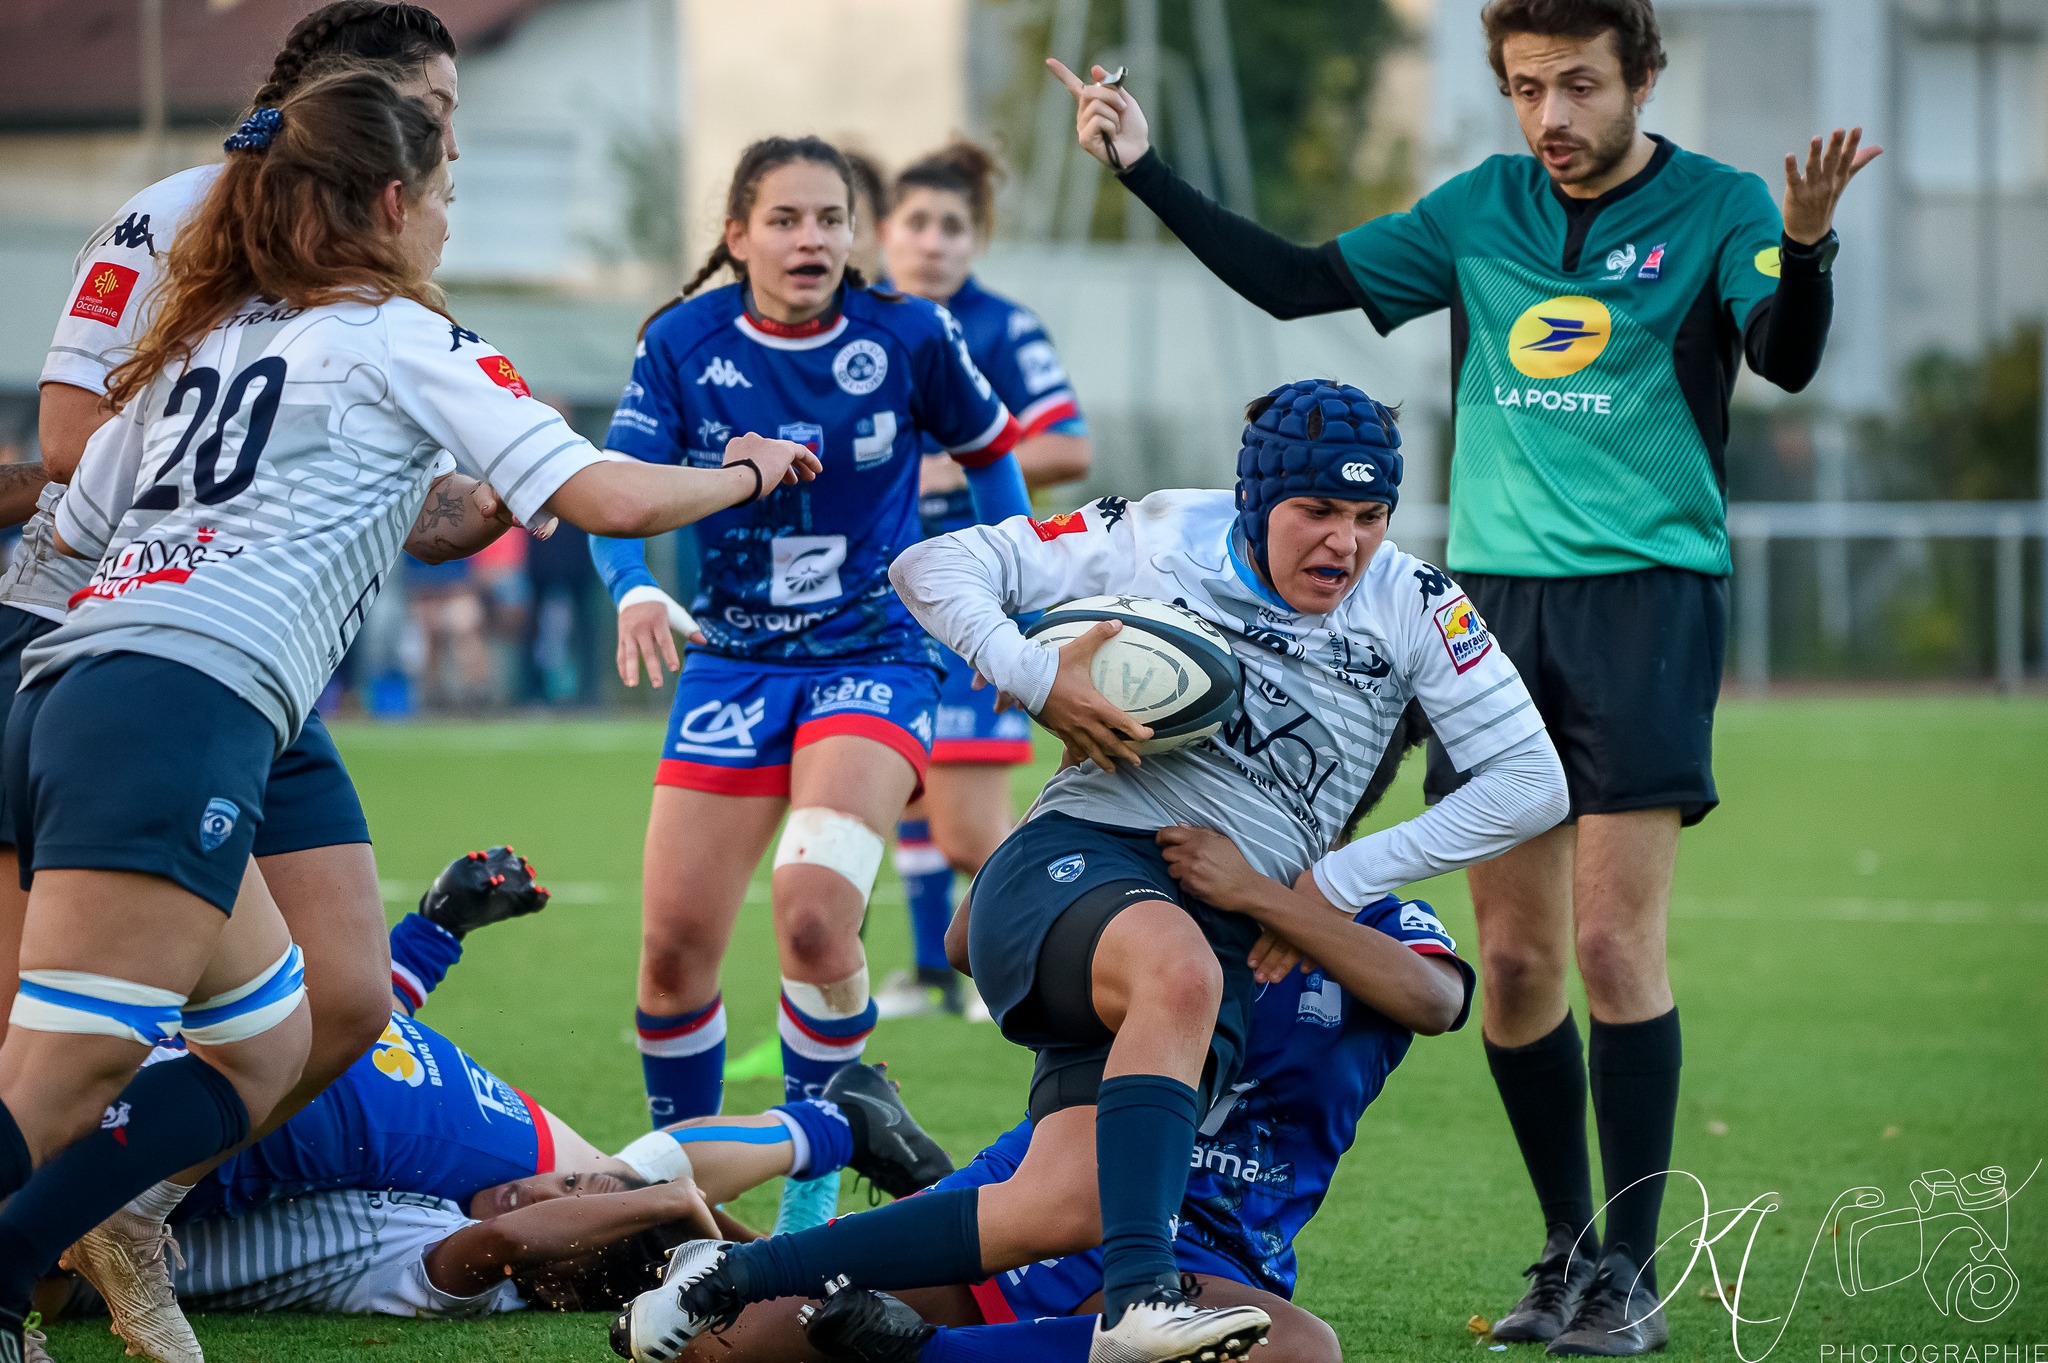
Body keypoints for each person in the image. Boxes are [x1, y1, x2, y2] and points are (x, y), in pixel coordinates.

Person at [1050, 1, 1879, 1350]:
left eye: (1580, 86)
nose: (1551, 115)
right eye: (1528, 87)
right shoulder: (1478, 208)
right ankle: (1566, 1252)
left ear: (1642, 80)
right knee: (1514, 957)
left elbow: (1784, 355)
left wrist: (1804, 246)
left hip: (1646, 597)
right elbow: (1294, 281)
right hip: (1490, 609)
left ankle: (1632, 1271)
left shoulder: (1720, 205)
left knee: (1610, 945)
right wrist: (1141, 166)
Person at [0, 66, 815, 1363]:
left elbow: (77, 518)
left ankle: (65, 1248)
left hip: (68, 690)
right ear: (391, 200)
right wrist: (743, 470)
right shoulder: (400, 333)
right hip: (176, 708)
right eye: (446, 193)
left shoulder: (207, 338)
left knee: (271, 1043)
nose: (447, 220)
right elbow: (606, 496)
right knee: (63, 1076)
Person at [611, 380, 1568, 1363]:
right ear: (1255, 498)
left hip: (1194, 979)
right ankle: (1138, 1299)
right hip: (1087, 865)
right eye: (1318, 510)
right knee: (1178, 972)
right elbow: (930, 564)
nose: (1346, 541)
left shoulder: (1414, 604)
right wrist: (1041, 680)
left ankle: (733, 1274)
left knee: (1049, 1212)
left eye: (1370, 515)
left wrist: (1326, 884)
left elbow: (1530, 784)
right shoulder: (1158, 535)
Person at [7, 9, 514, 1359]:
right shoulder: (184, 210)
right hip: (100, 648)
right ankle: (23, 1270)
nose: (448, 146)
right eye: (432, 112)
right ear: (348, 113)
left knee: (340, 1000)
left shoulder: (376, 279)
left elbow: (364, 483)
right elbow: (70, 439)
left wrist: (463, 501)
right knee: (52, 1057)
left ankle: (125, 1208)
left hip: (248, 671)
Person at [586, 136, 1031, 1229]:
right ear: (736, 235)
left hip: (872, 656)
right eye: (784, 219)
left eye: (830, 218)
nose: (810, 239)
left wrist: (1006, 602)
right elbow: (613, 486)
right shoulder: (681, 342)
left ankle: (809, 1210)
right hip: (732, 661)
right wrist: (634, 588)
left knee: (815, 916)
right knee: (671, 952)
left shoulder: (908, 334)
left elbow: (992, 454)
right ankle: (683, 1211)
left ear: (853, 235)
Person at [875, 141, 1092, 1020]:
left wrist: (946, 467)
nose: (934, 242)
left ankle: (1077, 959)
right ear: (884, 232)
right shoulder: (857, 323)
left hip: (973, 601)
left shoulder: (1001, 328)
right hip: (878, 602)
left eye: (953, 227)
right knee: (908, 796)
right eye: (917, 223)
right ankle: (934, 974)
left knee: (969, 827)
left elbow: (1068, 445)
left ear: (978, 241)